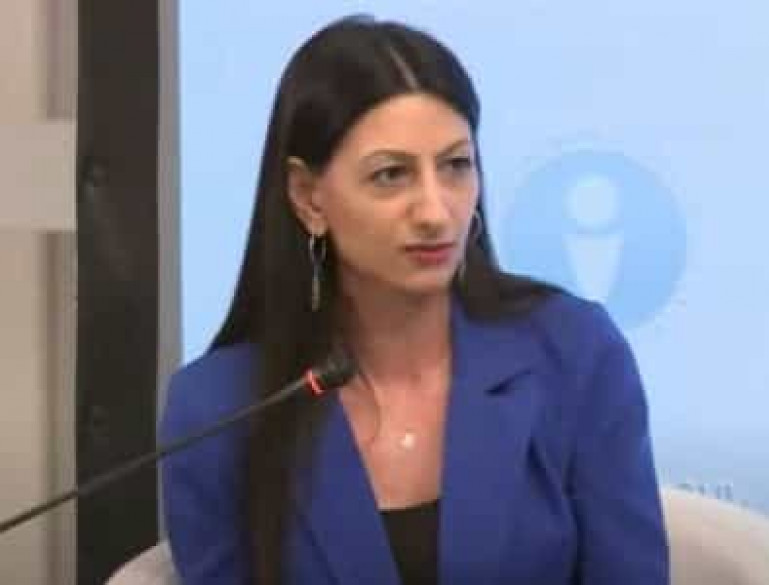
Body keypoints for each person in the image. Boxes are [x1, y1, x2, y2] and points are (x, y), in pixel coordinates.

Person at [160, 14, 669, 585]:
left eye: (455, 166)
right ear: (308, 197)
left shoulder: (573, 351)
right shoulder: (217, 411)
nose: (435, 211)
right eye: (391, 175)